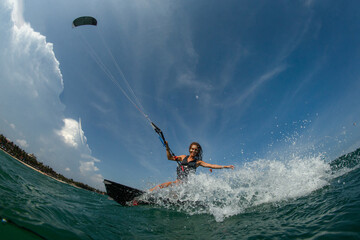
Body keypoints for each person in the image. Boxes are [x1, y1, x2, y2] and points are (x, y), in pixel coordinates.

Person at [149, 141, 234, 191]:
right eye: (192, 149)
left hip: (186, 186)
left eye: (196, 150)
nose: (194, 150)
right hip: (177, 182)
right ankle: (147, 193)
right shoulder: (182, 157)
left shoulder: (198, 162)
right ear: (190, 149)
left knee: (175, 190)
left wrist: (225, 166)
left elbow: (211, 165)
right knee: (162, 185)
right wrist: (167, 147)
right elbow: (170, 158)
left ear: (197, 152)